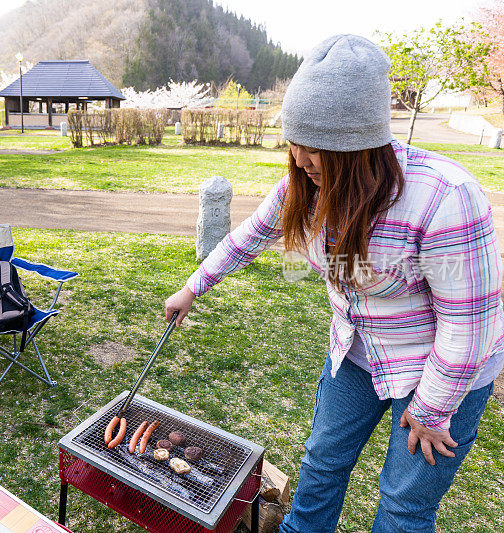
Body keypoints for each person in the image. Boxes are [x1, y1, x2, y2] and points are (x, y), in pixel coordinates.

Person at [164, 34, 504, 532]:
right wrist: (193, 286)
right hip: (356, 351)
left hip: (445, 368)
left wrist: (430, 410)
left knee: (403, 504)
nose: (299, 161)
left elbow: (468, 323)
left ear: (359, 148)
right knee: (322, 463)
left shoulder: (445, 197)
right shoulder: (305, 183)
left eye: (314, 150)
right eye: (294, 145)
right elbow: (250, 235)